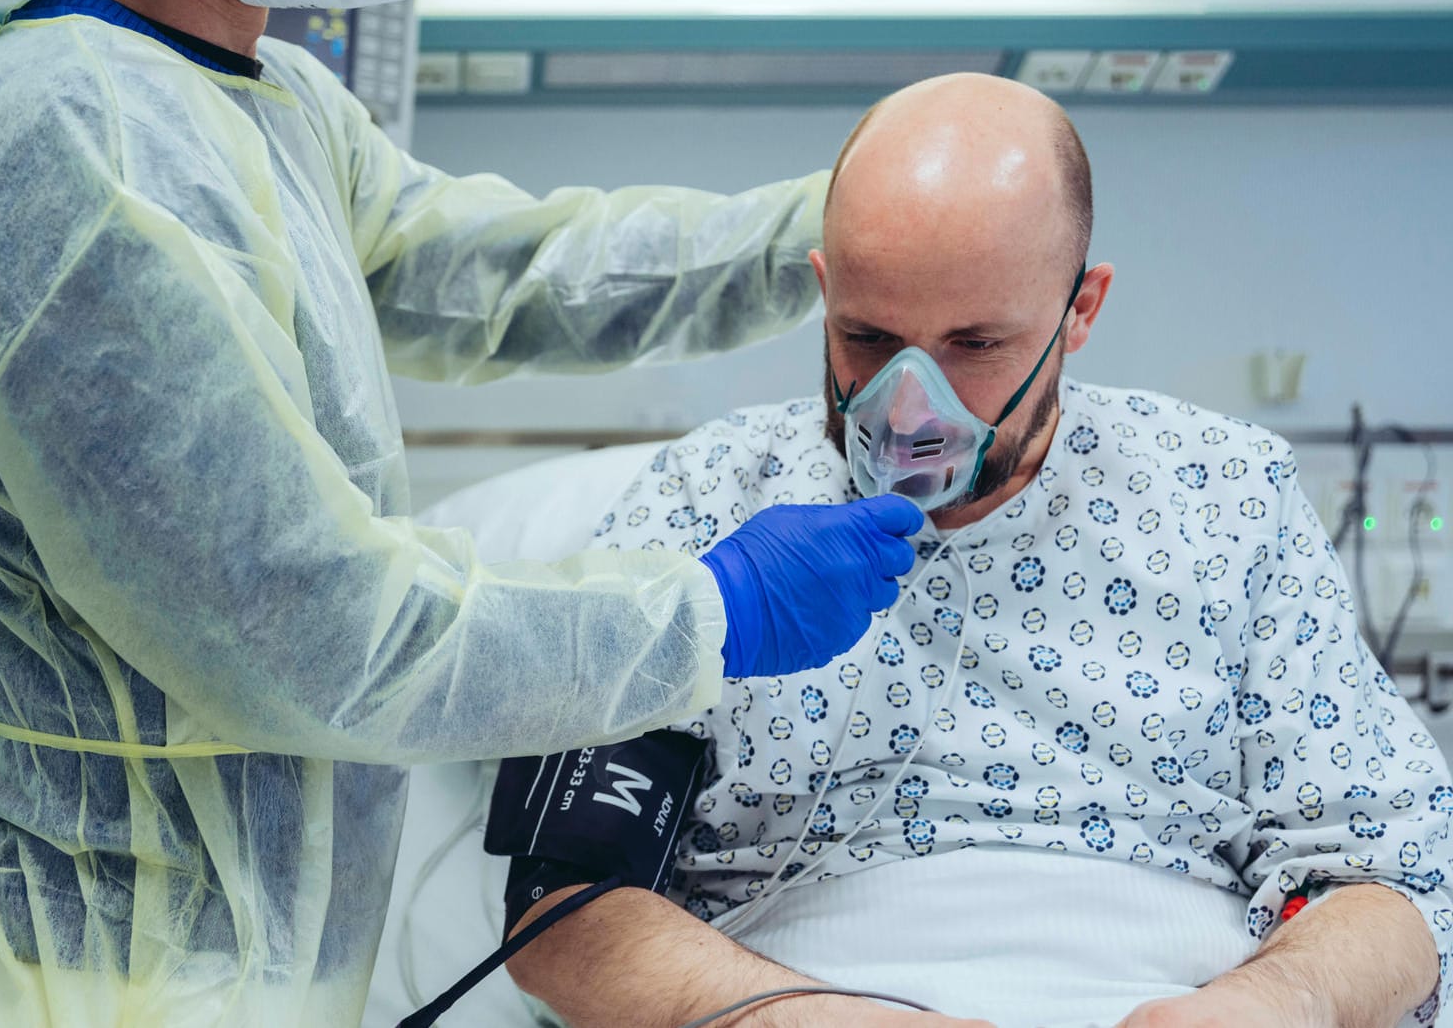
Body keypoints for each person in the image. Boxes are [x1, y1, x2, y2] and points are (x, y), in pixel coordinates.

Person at [0, 0, 927, 1024]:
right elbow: (302, 627)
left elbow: (519, 278)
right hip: (101, 977)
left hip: (254, 971)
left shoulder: (277, 103)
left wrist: (840, 230)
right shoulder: (70, 135)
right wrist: (709, 613)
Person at [502, 73, 1453, 1028]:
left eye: (977, 344)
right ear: (825, 290)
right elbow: (564, 904)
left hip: (1174, 987)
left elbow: (1396, 876)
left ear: (1080, 310)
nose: (911, 406)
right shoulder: (705, 500)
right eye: (868, 337)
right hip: (785, 991)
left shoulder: (1228, 494)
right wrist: (792, 1018)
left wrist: (1280, 1001)